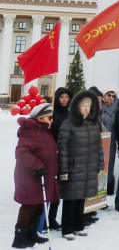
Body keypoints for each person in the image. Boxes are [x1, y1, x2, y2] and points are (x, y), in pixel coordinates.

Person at [57, 90, 104, 240]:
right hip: (73, 167)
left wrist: (99, 163)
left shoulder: (93, 123)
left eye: (89, 106)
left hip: (88, 167)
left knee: (82, 197)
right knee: (70, 199)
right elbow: (62, 148)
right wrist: (64, 169)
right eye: (83, 105)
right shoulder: (68, 124)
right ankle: (67, 229)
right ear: (77, 106)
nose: (86, 108)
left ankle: (79, 225)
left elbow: (98, 146)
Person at [12, 103, 58, 248]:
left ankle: (32, 234)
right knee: (29, 206)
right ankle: (20, 238)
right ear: (41, 117)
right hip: (29, 177)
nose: (51, 120)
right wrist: (38, 165)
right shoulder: (31, 131)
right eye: (49, 117)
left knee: (39, 206)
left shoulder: (44, 131)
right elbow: (22, 153)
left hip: (42, 177)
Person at [43, 87, 72, 232]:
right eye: (62, 97)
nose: (64, 100)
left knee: (58, 189)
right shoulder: (51, 114)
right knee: (49, 187)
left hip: (64, 155)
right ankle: (43, 219)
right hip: (52, 154)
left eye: (67, 97)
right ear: (57, 98)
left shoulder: (70, 115)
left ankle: (52, 218)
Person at [102, 89, 119, 195]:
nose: (111, 98)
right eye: (109, 95)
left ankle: (109, 187)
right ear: (104, 96)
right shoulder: (99, 107)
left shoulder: (118, 108)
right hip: (101, 140)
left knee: (110, 164)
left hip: (112, 141)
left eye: (113, 96)